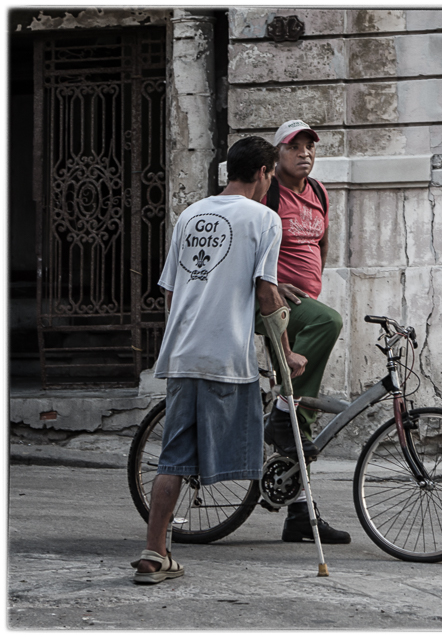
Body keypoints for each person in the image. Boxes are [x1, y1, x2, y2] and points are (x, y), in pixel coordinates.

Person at [131, 137, 306, 584]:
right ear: (265, 172)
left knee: (173, 457)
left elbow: (170, 289)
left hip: (182, 351)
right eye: (270, 175)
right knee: (238, 446)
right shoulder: (265, 218)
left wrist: (180, 335)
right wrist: (284, 354)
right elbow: (268, 294)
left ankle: (154, 552)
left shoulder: (190, 214)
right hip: (225, 355)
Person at [257, 119, 349, 545]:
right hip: (273, 304)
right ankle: (282, 413)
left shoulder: (319, 193)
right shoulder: (269, 191)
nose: (305, 153)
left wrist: (312, 286)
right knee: (330, 321)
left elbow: (323, 244)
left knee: (300, 412)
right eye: (295, 147)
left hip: (301, 305)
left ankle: (299, 513)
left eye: (310, 146)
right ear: (278, 154)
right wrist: (274, 284)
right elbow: (253, 246)